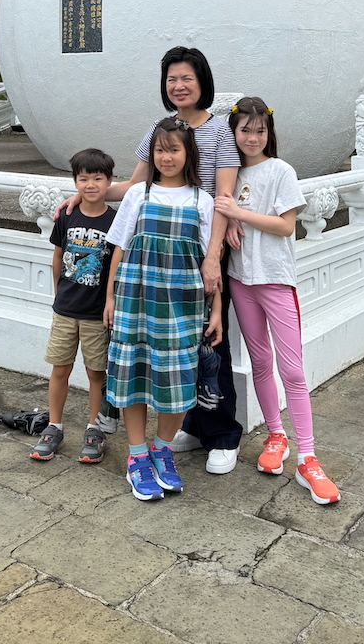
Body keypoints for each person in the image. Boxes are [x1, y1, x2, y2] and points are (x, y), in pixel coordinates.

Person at [57, 45, 243, 473]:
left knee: (205, 345)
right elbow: (135, 185)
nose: (179, 86)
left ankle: (221, 434)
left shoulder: (219, 132)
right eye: (171, 79)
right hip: (150, 255)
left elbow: (223, 197)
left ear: (202, 82)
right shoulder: (158, 130)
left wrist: (213, 256)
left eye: (187, 78)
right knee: (159, 348)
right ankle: (183, 432)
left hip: (198, 245)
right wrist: (88, 193)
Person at [214, 97, 340, 504]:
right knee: (260, 362)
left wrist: (238, 214)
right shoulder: (229, 173)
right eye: (244, 130)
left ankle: (308, 457)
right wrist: (228, 220)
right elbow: (220, 210)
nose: (252, 137)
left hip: (276, 281)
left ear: (269, 133)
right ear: (233, 132)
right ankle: (275, 435)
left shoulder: (281, 171)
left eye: (260, 130)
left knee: (293, 370)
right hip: (240, 281)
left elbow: (286, 226)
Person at [104, 117, 222, 500]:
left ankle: (162, 449)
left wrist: (217, 311)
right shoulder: (138, 195)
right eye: (159, 150)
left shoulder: (202, 201)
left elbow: (212, 263)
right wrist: (110, 298)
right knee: (134, 378)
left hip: (183, 306)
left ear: (188, 154)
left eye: (173, 150)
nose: (165, 157)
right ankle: (137, 456)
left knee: (178, 379)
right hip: (135, 301)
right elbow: (119, 248)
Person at [31, 148, 116, 464]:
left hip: (96, 313)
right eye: (83, 179)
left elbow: (116, 266)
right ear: (75, 181)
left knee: (96, 373)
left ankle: (95, 428)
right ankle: (54, 426)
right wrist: (59, 295)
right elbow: (57, 257)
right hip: (65, 310)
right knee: (60, 369)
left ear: (109, 181)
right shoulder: (67, 215)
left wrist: (110, 302)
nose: (90, 185)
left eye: (97, 178)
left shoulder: (114, 220)